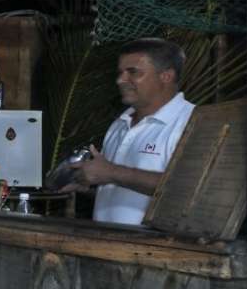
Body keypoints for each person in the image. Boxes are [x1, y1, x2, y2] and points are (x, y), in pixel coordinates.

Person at [71, 37, 194, 227]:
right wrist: (88, 183)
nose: (120, 80)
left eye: (133, 72)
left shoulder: (191, 121)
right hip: (103, 247)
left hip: (155, 252)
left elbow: (188, 187)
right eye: (120, 72)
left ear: (166, 76)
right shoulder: (119, 124)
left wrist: (111, 172)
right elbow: (126, 190)